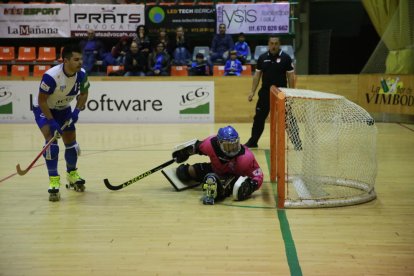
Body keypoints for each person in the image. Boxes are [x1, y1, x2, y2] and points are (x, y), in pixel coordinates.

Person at [32, 44, 90, 202]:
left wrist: (76, 111)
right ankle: (54, 180)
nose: (80, 62)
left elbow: (84, 94)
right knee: (51, 141)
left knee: (71, 142)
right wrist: (51, 121)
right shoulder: (51, 76)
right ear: (65, 61)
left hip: (64, 109)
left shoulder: (82, 75)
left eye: (81, 59)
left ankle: (72, 174)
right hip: (45, 109)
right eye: (76, 59)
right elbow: (41, 100)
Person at [171, 126, 263, 205]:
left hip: (232, 178)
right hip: (214, 169)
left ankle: (217, 188)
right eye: (228, 146)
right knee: (182, 172)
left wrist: (251, 185)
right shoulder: (210, 144)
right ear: (219, 143)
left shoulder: (246, 157)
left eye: (234, 145)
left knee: (222, 189)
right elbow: (196, 147)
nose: (232, 149)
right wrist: (184, 152)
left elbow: (258, 175)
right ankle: (211, 181)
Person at [245, 35, 296, 148]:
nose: (273, 46)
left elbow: (291, 77)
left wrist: (291, 93)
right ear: (268, 44)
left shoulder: (286, 58)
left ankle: (297, 142)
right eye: (271, 43)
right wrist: (252, 91)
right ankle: (253, 142)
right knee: (259, 118)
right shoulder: (262, 58)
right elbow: (257, 75)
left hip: (281, 94)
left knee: (288, 118)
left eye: (276, 43)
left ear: (279, 44)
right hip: (265, 94)